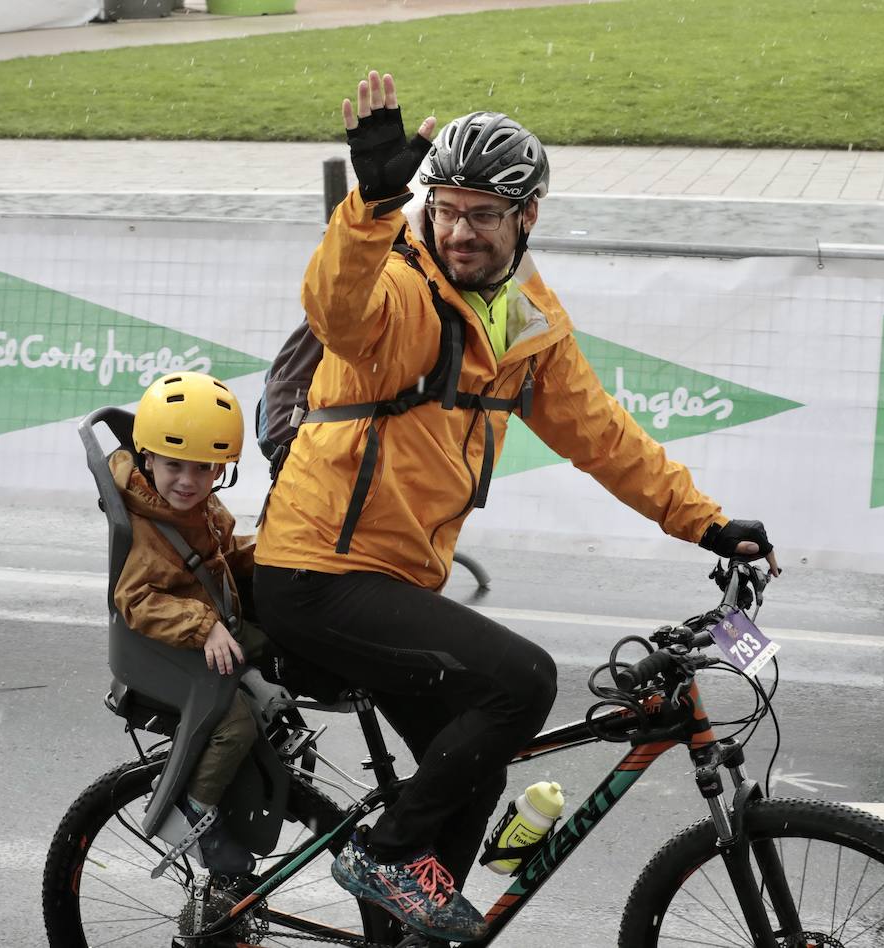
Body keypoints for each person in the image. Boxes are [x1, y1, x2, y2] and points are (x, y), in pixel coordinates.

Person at [252, 70, 779, 942]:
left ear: (527, 217)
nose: (460, 231)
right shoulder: (397, 292)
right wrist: (373, 204)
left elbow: (601, 437)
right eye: (448, 209)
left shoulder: (529, 320)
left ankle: (404, 924)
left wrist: (707, 522)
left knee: (473, 771)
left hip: (395, 578)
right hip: (315, 570)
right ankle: (385, 861)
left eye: (484, 215)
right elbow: (334, 309)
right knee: (523, 680)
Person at [113, 370, 260, 875]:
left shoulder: (196, 506)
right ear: (147, 456)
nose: (189, 481)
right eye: (174, 465)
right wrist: (204, 627)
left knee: (286, 645)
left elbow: (221, 554)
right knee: (235, 724)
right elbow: (136, 598)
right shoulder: (151, 525)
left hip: (204, 626)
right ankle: (192, 813)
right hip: (166, 645)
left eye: (204, 468)